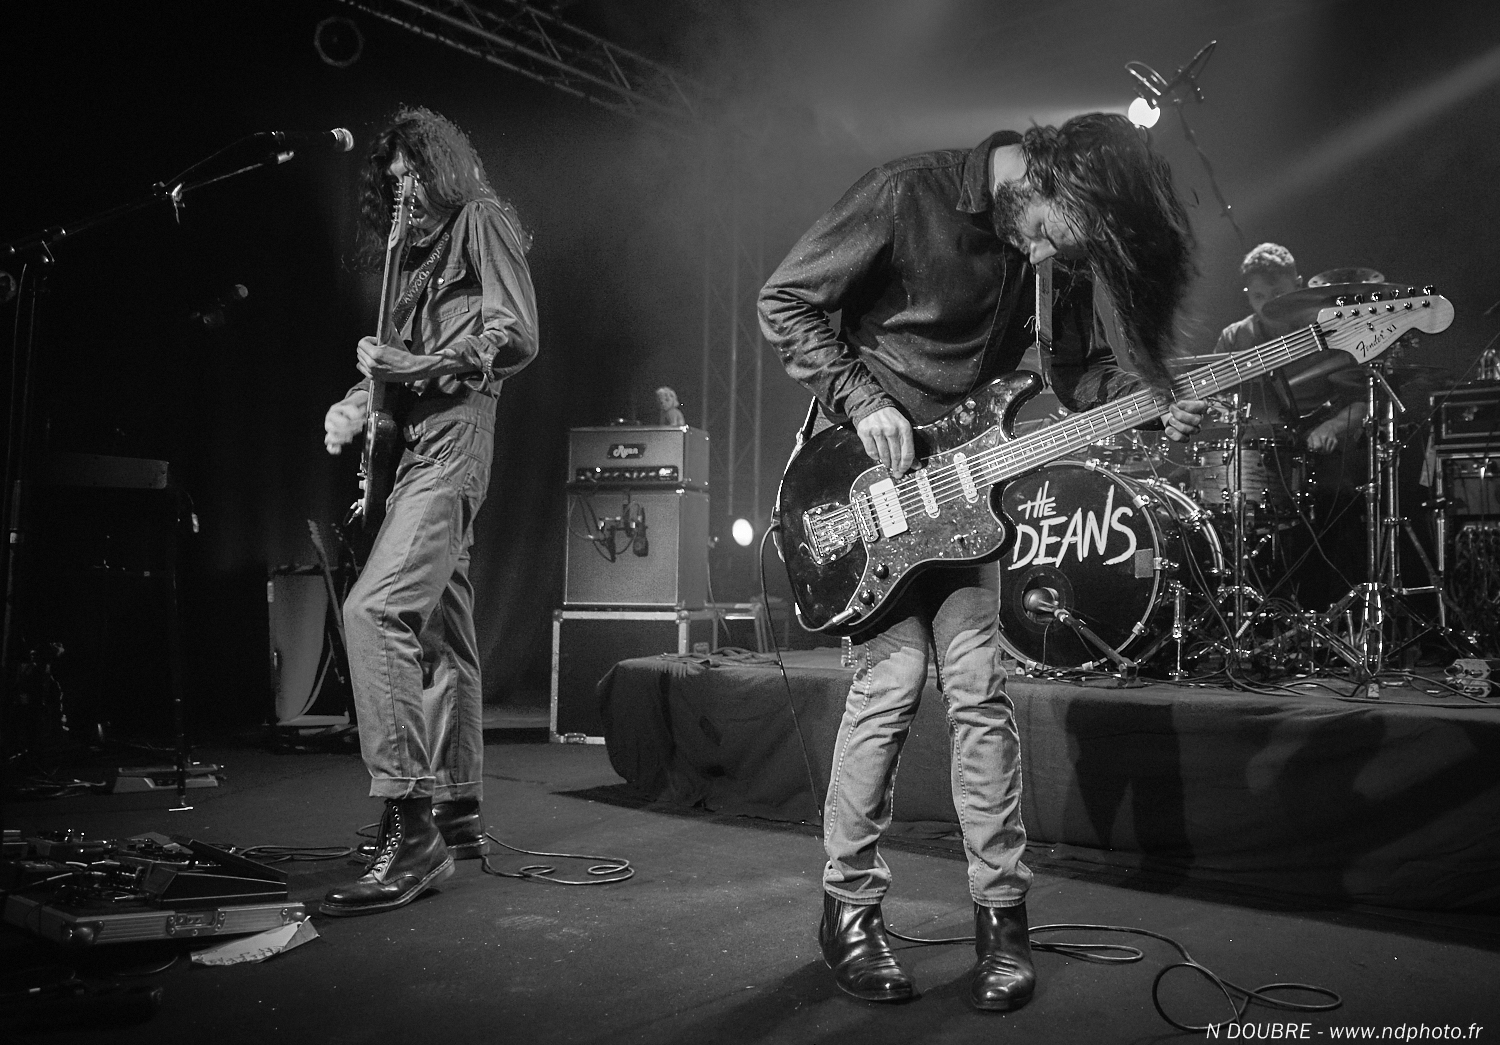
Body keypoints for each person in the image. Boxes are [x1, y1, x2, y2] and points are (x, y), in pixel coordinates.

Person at [759, 113, 1207, 1010]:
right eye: (1049, 231)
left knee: (978, 690)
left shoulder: (1054, 247)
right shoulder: (907, 193)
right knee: (890, 686)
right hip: (869, 486)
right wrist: (861, 400)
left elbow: (1075, 372)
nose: (1048, 254)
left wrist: (1147, 398)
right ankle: (849, 910)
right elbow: (784, 301)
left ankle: (1002, 920)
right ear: (1043, 176)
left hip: (967, 498)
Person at [320, 107, 538, 917]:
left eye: (413, 172)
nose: (402, 188)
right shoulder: (407, 269)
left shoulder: (482, 219)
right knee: (445, 632)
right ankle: (456, 807)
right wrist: (355, 403)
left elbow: (515, 335)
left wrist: (410, 366)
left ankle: (410, 827)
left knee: (376, 610)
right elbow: (392, 373)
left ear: (441, 167)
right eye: (393, 180)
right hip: (412, 447)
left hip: (453, 442)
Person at [1212, 243, 1366, 454]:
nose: (1268, 305)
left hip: (1319, 454)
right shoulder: (1234, 337)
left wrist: (1331, 427)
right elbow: (1215, 401)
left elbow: (1360, 403)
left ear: (1298, 286)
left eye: (1278, 294)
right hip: (1251, 451)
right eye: (1259, 296)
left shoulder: (1327, 332)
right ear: (1247, 295)